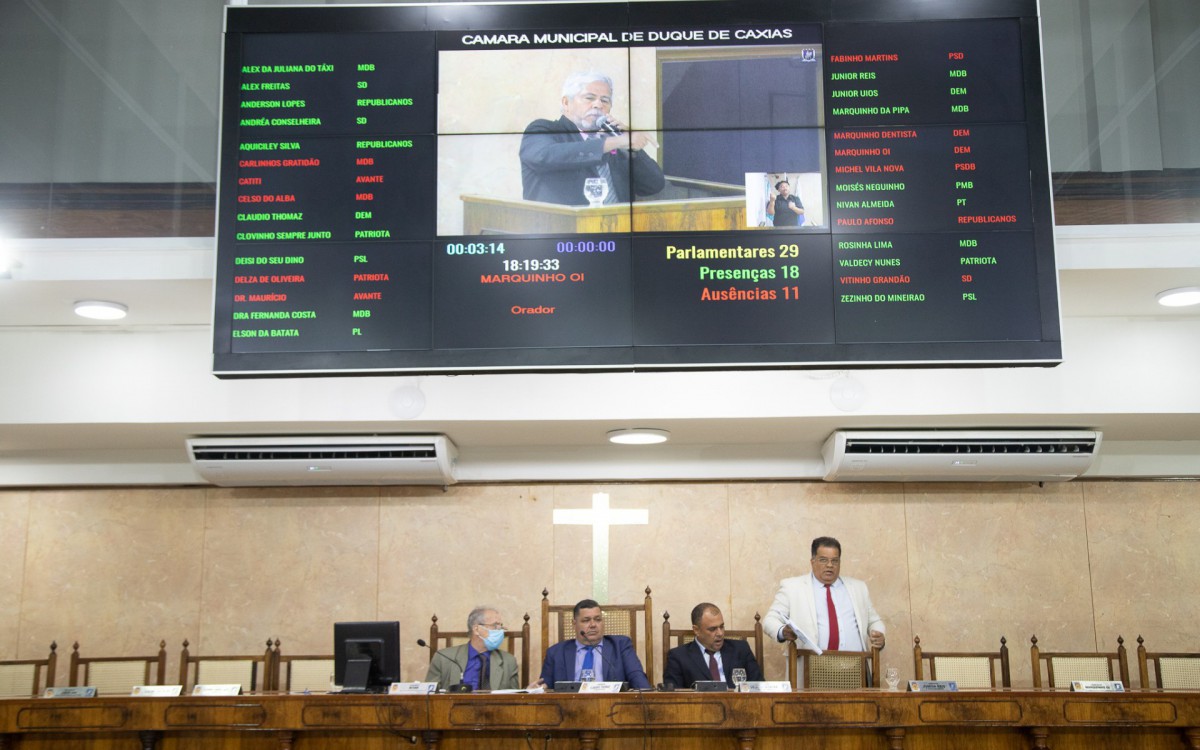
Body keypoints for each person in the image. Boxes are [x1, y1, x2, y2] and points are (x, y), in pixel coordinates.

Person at [520, 71, 665, 206]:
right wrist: (613, 142)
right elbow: (543, 156)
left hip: (619, 229)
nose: (598, 105)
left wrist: (631, 146)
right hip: (564, 229)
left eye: (605, 100)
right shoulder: (543, 129)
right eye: (589, 98)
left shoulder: (614, 139)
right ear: (566, 103)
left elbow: (653, 185)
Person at [762, 536, 885, 652]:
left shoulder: (859, 588)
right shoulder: (792, 588)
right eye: (823, 560)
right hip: (810, 666)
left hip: (855, 666)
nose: (830, 565)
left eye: (835, 561)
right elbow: (770, 620)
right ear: (812, 561)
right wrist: (782, 631)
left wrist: (879, 635)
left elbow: (874, 621)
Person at [533, 598, 651, 689]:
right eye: (586, 620)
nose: (593, 625)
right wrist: (533, 692)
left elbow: (638, 680)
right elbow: (544, 689)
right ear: (574, 624)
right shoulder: (556, 652)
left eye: (598, 619)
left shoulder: (621, 646)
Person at [663, 602, 764, 689]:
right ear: (696, 630)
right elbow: (673, 696)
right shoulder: (678, 656)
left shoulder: (741, 649)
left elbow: (760, 686)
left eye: (722, 626)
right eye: (713, 629)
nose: (720, 633)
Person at [425, 606, 519, 691]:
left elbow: (514, 698)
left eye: (500, 626)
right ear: (476, 629)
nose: (500, 630)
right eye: (495, 626)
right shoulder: (443, 658)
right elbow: (429, 696)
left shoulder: (509, 661)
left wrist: (528, 692)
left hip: (494, 709)